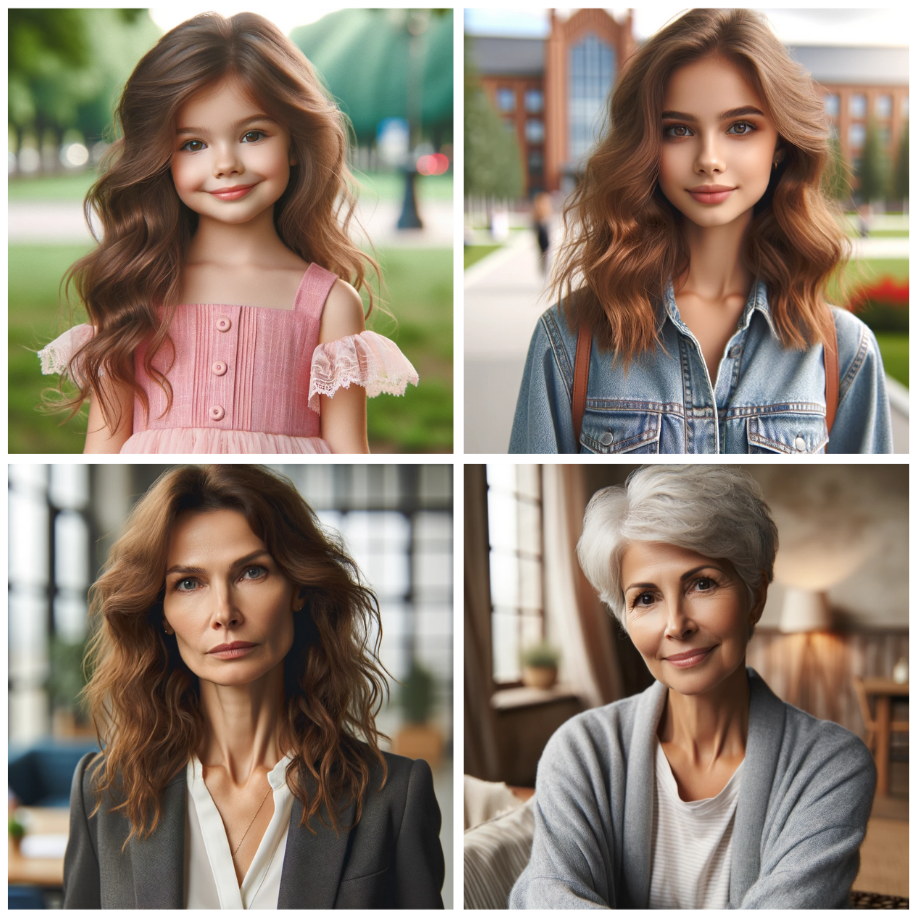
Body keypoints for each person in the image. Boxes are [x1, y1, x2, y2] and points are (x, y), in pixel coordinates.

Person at [509, 9, 892, 454]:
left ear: (780, 145)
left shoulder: (844, 353)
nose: (709, 158)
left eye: (740, 127)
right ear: (647, 147)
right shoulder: (568, 341)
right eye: (679, 130)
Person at [63, 465, 444, 909]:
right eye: (189, 583)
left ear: (298, 587)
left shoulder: (392, 794)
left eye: (252, 572)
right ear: (161, 614)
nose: (224, 612)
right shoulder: (102, 791)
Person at [39, 13, 417, 455]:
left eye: (253, 135)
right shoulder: (133, 289)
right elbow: (100, 456)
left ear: (294, 144)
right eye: (193, 144)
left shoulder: (328, 304)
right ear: (162, 157)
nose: (226, 164)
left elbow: (350, 457)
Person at [510, 465, 875, 909]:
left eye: (702, 583)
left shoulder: (831, 766)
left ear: (755, 596)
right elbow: (549, 897)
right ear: (625, 618)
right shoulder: (581, 750)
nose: (676, 625)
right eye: (645, 598)